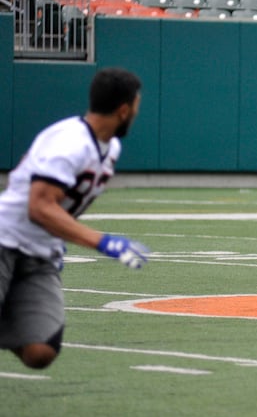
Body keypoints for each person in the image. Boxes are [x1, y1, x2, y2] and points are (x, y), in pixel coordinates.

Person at [0, 68, 150, 369]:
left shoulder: (110, 146)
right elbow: (40, 206)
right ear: (124, 109)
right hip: (5, 239)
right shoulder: (70, 142)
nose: (137, 111)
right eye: (136, 105)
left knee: (41, 350)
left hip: (39, 252)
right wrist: (102, 241)